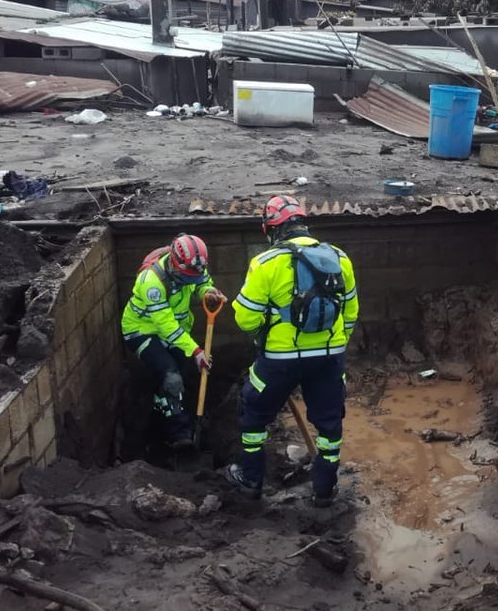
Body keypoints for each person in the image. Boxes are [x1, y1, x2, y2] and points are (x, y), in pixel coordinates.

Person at [226, 195, 359, 505]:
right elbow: (350, 312)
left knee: (253, 415)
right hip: (329, 357)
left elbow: (245, 319)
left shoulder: (265, 263)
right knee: (329, 425)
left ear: (271, 229)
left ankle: (250, 481)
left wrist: (268, 333)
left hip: (280, 360)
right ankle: (324, 491)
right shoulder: (340, 258)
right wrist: (334, 346)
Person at [121, 234, 226, 449]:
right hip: (142, 331)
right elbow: (166, 326)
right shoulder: (151, 283)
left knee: (179, 375)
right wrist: (196, 351)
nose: (192, 278)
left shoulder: (195, 266)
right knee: (172, 377)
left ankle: (164, 404)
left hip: (176, 332)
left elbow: (202, 282)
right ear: (174, 264)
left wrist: (208, 293)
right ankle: (178, 435)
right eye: (187, 276)